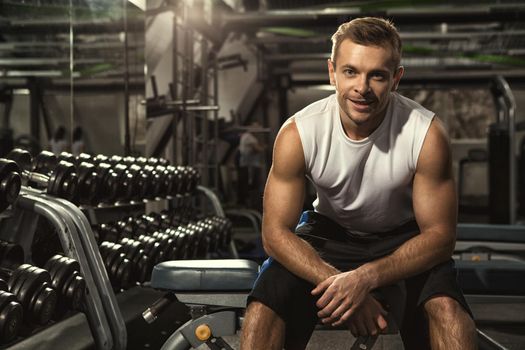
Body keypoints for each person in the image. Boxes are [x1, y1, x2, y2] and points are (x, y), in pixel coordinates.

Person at [240, 17, 477, 350]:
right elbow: (275, 234)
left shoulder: (425, 134)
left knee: (449, 313)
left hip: (402, 237)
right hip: (328, 233)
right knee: (264, 307)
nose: (362, 88)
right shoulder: (299, 133)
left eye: (377, 75)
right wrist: (340, 285)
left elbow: (440, 238)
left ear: (396, 79)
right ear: (332, 72)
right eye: (350, 71)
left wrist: (365, 278)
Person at [238, 122, 265, 210]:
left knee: (248, 185)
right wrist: (264, 148)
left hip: (248, 165)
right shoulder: (249, 137)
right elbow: (257, 149)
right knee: (250, 186)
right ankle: (249, 205)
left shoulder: (247, 136)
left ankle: (249, 204)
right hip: (249, 166)